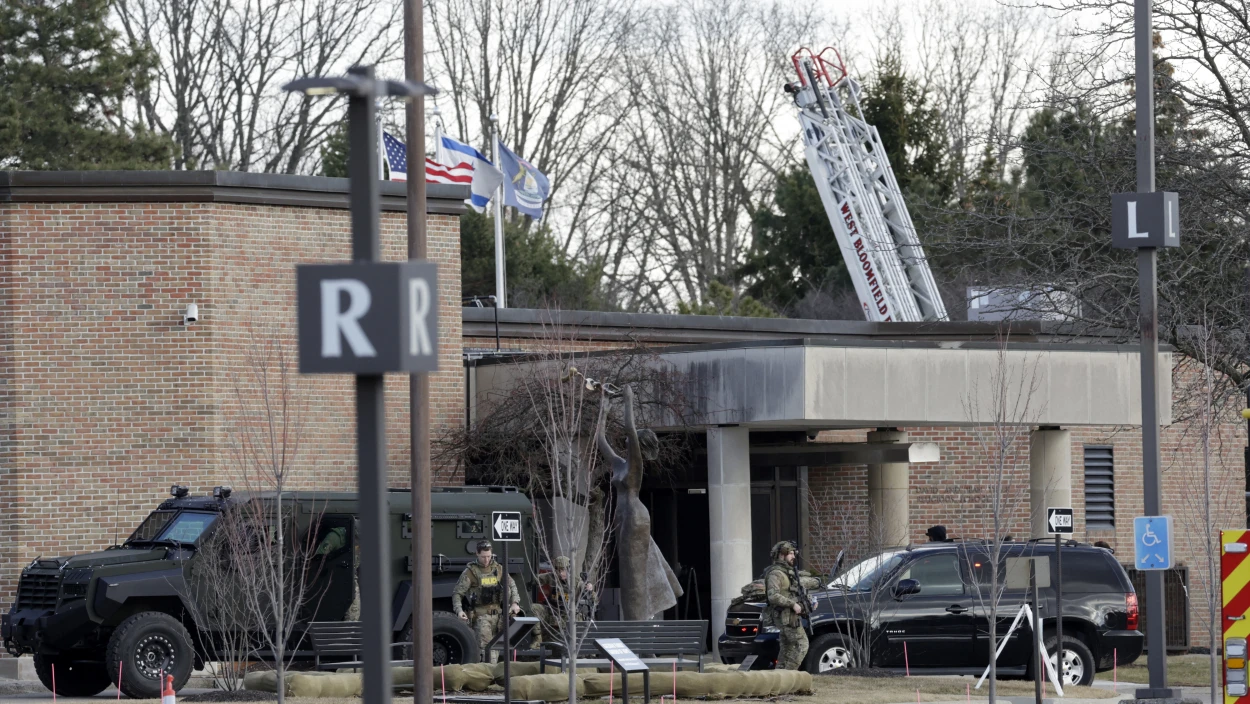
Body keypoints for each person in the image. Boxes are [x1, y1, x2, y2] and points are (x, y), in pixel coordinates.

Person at [452, 540, 521, 663]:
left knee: (498, 650)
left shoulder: (499, 569)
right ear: (477, 554)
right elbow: (457, 593)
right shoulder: (470, 572)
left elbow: (512, 586)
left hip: (499, 616)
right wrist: (459, 610)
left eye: (489, 556)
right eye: (483, 557)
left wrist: (515, 603)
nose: (486, 560)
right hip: (481, 617)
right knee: (487, 653)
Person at [762, 541, 808, 670]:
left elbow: (792, 592)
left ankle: (780, 677)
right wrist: (793, 604)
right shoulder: (775, 574)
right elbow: (773, 596)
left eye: (794, 553)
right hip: (784, 616)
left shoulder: (787, 572)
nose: (793, 556)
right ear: (782, 555)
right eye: (790, 553)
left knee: (787, 648)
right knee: (802, 644)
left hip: (790, 616)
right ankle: (788, 675)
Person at [530, 555, 596, 647]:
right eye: (558, 570)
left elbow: (593, 598)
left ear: (568, 569)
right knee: (533, 608)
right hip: (551, 611)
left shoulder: (577, 582)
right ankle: (537, 639)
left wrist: (590, 589)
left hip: (567, 615)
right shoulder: (551, 577)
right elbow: (534, 578)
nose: (560, 573)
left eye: (563, 570)